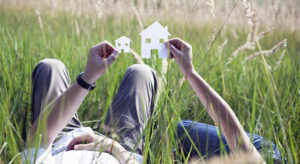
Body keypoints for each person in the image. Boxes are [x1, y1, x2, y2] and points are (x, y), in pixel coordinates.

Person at [23, 38, 282, 163]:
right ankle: (165, 131)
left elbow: (38, 138)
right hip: (118, 148)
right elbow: (246, 151)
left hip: (58, 139)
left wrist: (87, 78)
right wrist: (113, 148)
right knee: (142, 73)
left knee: (50, 67)